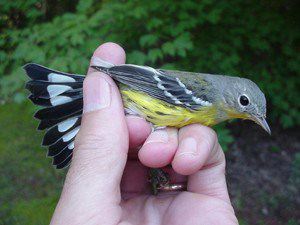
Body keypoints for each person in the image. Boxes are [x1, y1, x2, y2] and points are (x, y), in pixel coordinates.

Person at [50, 42, 238, 225]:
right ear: (231, 93)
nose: (248, 112)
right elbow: (154, 84)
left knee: (151, 139)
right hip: (135, 91)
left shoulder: (209, 113)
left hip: (138, 113)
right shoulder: (207, 97)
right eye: (244, 102)